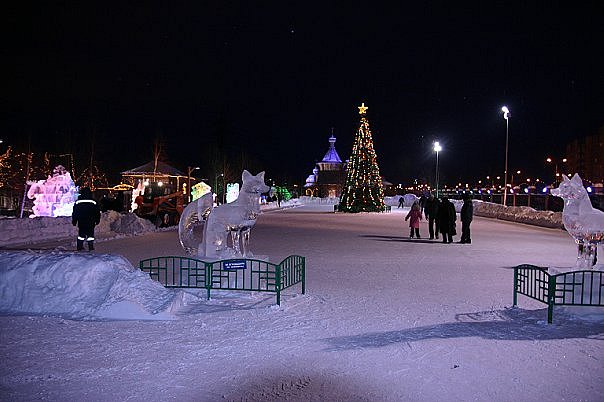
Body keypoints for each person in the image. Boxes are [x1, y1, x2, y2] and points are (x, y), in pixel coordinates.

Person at [72, 187, 101, 251]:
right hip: (91, 221)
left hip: (81, 221)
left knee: (81, 235)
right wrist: (97, 220)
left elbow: (75, 212)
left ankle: (79, 246)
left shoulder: (78, 202)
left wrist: (74, 220)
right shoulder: (93, 202)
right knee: (90, 235)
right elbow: (97, 212)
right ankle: (90, 247)